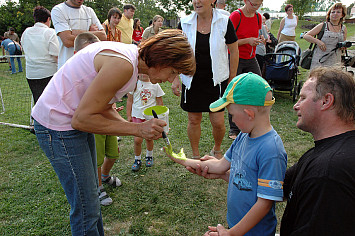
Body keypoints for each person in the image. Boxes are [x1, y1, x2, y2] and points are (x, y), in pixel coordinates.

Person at [32, 29, 195, 235]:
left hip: (67, 124)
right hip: (56, 126)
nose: (171, 79)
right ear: (162, 60)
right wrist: (137, 128)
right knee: (86, 207)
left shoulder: (130, 62)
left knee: (90, 201)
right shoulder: (123, 65)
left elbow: (103, 105)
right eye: (173, 72)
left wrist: (137, 131)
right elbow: (82, 119)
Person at [167, 73, 287, 235]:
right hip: (237, 226)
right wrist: (185, 160)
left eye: (232, 115)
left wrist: (231, 233)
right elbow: (220, 165)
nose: (232, 120)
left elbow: (265, 203)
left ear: (249, 114)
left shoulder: (271, 150)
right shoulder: (243, 136)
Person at [280, 66, 355, 235]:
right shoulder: (324, 153)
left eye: (303, 98)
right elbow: (281, 186)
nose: (295, 106)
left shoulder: (329, 171)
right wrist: (231, 172)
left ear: (326, 101)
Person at [173, 0, 239, 159]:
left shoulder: (224, 21)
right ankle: (195, 155)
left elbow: (234, 51)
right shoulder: (184, 23)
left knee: (218, 121)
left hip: (216, 80)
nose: (197, 1)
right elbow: (176, 53)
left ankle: (216, 150)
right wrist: (175, 77)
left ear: (213, 1)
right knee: (194, 119)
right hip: (192, 80)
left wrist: (232, 78)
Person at [228, 0, 263, 140]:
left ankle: (254, 124)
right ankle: (234, 128)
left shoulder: (258, 17)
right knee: (234, 91)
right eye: (253, 4)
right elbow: (228, 42)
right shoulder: (236, 16)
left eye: (259, 4)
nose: (256, 7)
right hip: (236, 59)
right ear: (245, 1)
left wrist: (259, 39)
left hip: (251, 58)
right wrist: (247, 40)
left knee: (259, 88)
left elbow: (256, 34)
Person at [51, 0, 106, 69]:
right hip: (68, 67)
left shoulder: (89, 11)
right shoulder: (58, 10)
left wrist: (73, 32)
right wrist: (90, 34)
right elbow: (67, 41)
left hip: (89, 67)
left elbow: (103, 37)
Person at [21, 6, 59, 104]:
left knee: (38, 102)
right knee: (51, 102)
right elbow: (56, 55)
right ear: (48, 19)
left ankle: (37, 118)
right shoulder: (50, 32)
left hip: (31, 74)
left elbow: (24, 47)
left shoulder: (26, 32)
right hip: (48, 73)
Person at [126, 75, 165, 171]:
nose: (143, 74)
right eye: (141, 72)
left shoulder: (155, 85)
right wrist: (128, 115)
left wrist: (160, 115)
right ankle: (137, 159)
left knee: (149, 138)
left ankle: (149, 156)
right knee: (137, 140)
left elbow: (160, 101)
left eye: (145, 72)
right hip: (137, 117)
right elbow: (129, 100)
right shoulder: (134, 84)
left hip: (149, 118)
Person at [303, 3, 347, 69]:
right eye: (333, 12)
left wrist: (344, 47)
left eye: (338, 12)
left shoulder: (343, 28)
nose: (335, 14)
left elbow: (343, 43)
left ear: (342, 15)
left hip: (336, 62)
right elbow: (306, 36)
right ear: (329, 14)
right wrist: (318, 42)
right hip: (319, 61)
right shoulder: (323, 26)